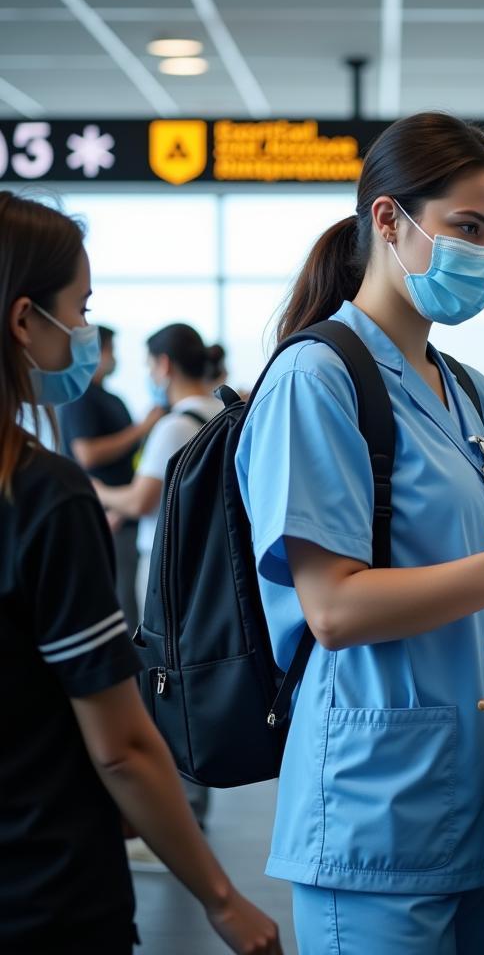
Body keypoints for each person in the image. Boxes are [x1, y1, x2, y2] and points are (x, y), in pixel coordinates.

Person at [235, 112, 484, 955]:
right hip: (376, 811)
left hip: (474, 810)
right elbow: (334, 610)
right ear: (388, 220)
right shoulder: (318, 377)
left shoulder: (472, 394)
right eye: (466, 228)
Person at [0, 191, 281, 954]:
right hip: (45, 887)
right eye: (80, 307)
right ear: (25, 320)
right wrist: (223, 901)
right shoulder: (44, 497)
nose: (86, 333)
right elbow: (119, 745)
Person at [94, 322, 222, 834]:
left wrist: (92, 490)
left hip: (167, 573)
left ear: (164, 366)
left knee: (164, 686)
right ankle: (193, 807)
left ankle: (173, 819)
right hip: (204, 572)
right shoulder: (220, 412)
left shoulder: (174, 425)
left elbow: (141, 500)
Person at [58, 325, 164, 631]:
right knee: (123, 615)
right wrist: (142, 429)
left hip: (124, 514)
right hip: (104, 522)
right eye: (110, 351)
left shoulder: (111, 398)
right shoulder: (80, 397)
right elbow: (87, 454)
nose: (114, 357)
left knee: (132, 608)